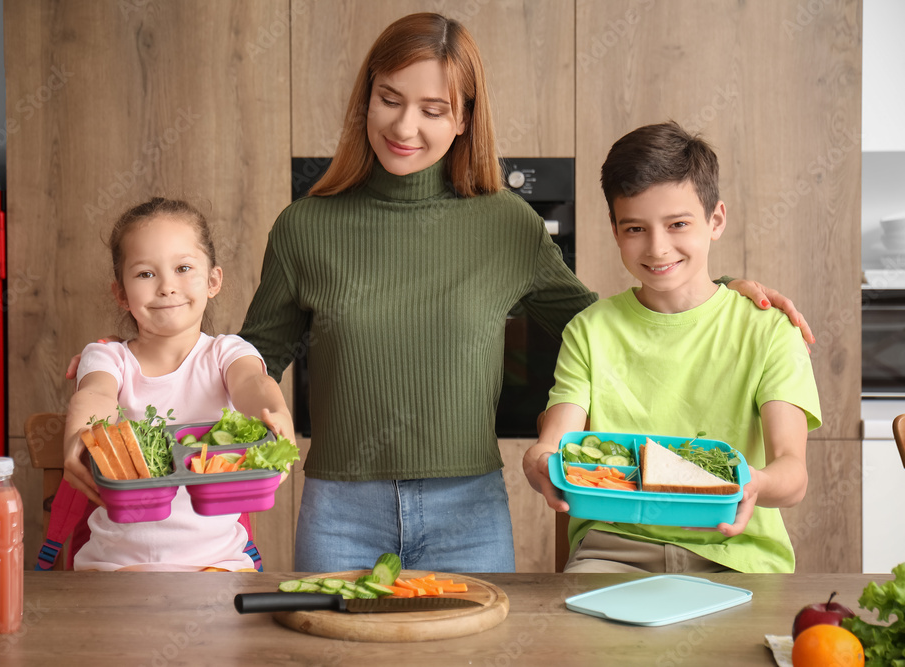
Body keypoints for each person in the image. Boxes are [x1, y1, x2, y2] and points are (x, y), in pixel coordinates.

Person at [236, 13, 814, 573]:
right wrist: (256, 391)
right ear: (366, 98)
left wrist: (717, 291)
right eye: (390, 99)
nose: (405, 127)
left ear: (464, 118)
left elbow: (603, 321)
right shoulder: (304, 227)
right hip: (340, 511)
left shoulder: (507, 224)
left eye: (434, 109)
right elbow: (253, 355)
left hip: (467, 511)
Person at [522, 121, 822, 574]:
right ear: (614, 228)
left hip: (736, 552)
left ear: (715, 220)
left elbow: (793, 474)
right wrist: (539, 462)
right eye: (636, 228)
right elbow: (554, 442)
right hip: (613, 551)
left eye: (678, 224)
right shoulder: (590, 331)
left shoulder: (769, 330)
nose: (658, 248)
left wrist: (752, 483)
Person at [62, 197, 295, 571]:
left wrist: (277, 414)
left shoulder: (227, 353)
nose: (167, 286)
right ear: (121, 293)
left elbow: (254, 382)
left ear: (213, 281)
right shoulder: (108, 357)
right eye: (145, 274)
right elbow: (95, 395)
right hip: (115, 568)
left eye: (183, 268)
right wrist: (80, 431)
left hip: (218, 566)